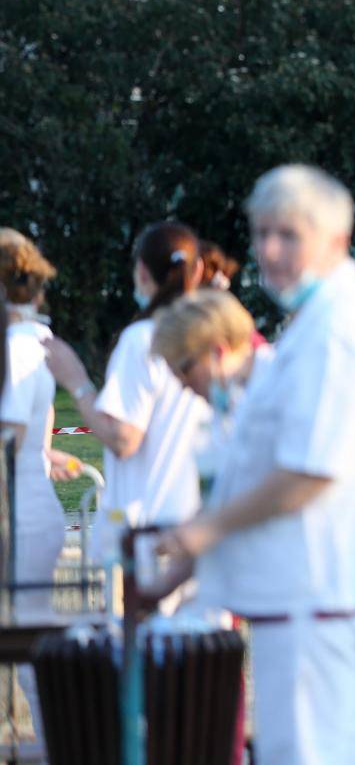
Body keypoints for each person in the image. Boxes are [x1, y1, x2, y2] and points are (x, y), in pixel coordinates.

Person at [154, 165, 355, 764]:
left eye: (288, 234)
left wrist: (204, 532)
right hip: (314, 592)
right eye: (260, 234)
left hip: (326, 589)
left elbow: (312, 472)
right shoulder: (317, 321)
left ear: (337, 238)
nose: (269, 250)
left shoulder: (340, 326)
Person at [46, 223, 211, 580]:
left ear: (141, 272)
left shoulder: (141, 340)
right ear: (197, 271)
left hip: (144, 534)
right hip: (194, 528)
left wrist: (76, 382)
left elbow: (124, 438)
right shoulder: (211, 336)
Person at [0, 230, 82, 741]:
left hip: (22, 516)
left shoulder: (18, 345)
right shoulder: (30, 339)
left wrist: (34, 449)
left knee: (31, 648)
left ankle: (65, 743)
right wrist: (45, 451)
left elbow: (12, 436)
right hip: (26, 506)